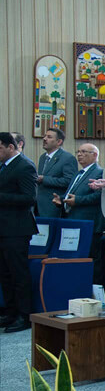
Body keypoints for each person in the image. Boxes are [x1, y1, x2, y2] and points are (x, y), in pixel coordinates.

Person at [0, 131, 38, 333]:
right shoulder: (4, 166)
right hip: (4, 227)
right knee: (5, 273)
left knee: (18, 273)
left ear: (11, 147)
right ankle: (10, 311)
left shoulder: (24, 166)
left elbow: (29, 198)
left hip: (16, 228)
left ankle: (24, 315)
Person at [53, 143, 104, 282]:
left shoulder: (99, 172)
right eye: (78, 152)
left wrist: (78, 201)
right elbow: (73, 193)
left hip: (88, 222)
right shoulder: (78, 173)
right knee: (73, 257)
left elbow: (99, 196)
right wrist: (61, 199)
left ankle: (93, 287)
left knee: (89, 257)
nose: (79, 155)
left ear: (95, 155)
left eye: (84, 152)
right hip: (72, 220)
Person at [36, 128, 77, 218]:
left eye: (49, 137)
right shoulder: (43, 157)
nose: (44, 139)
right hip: (39, 205)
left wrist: (44, 179)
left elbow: (69, 181)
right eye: (45, 136)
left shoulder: (67, 158)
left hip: (54, 205)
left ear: (59, 142)